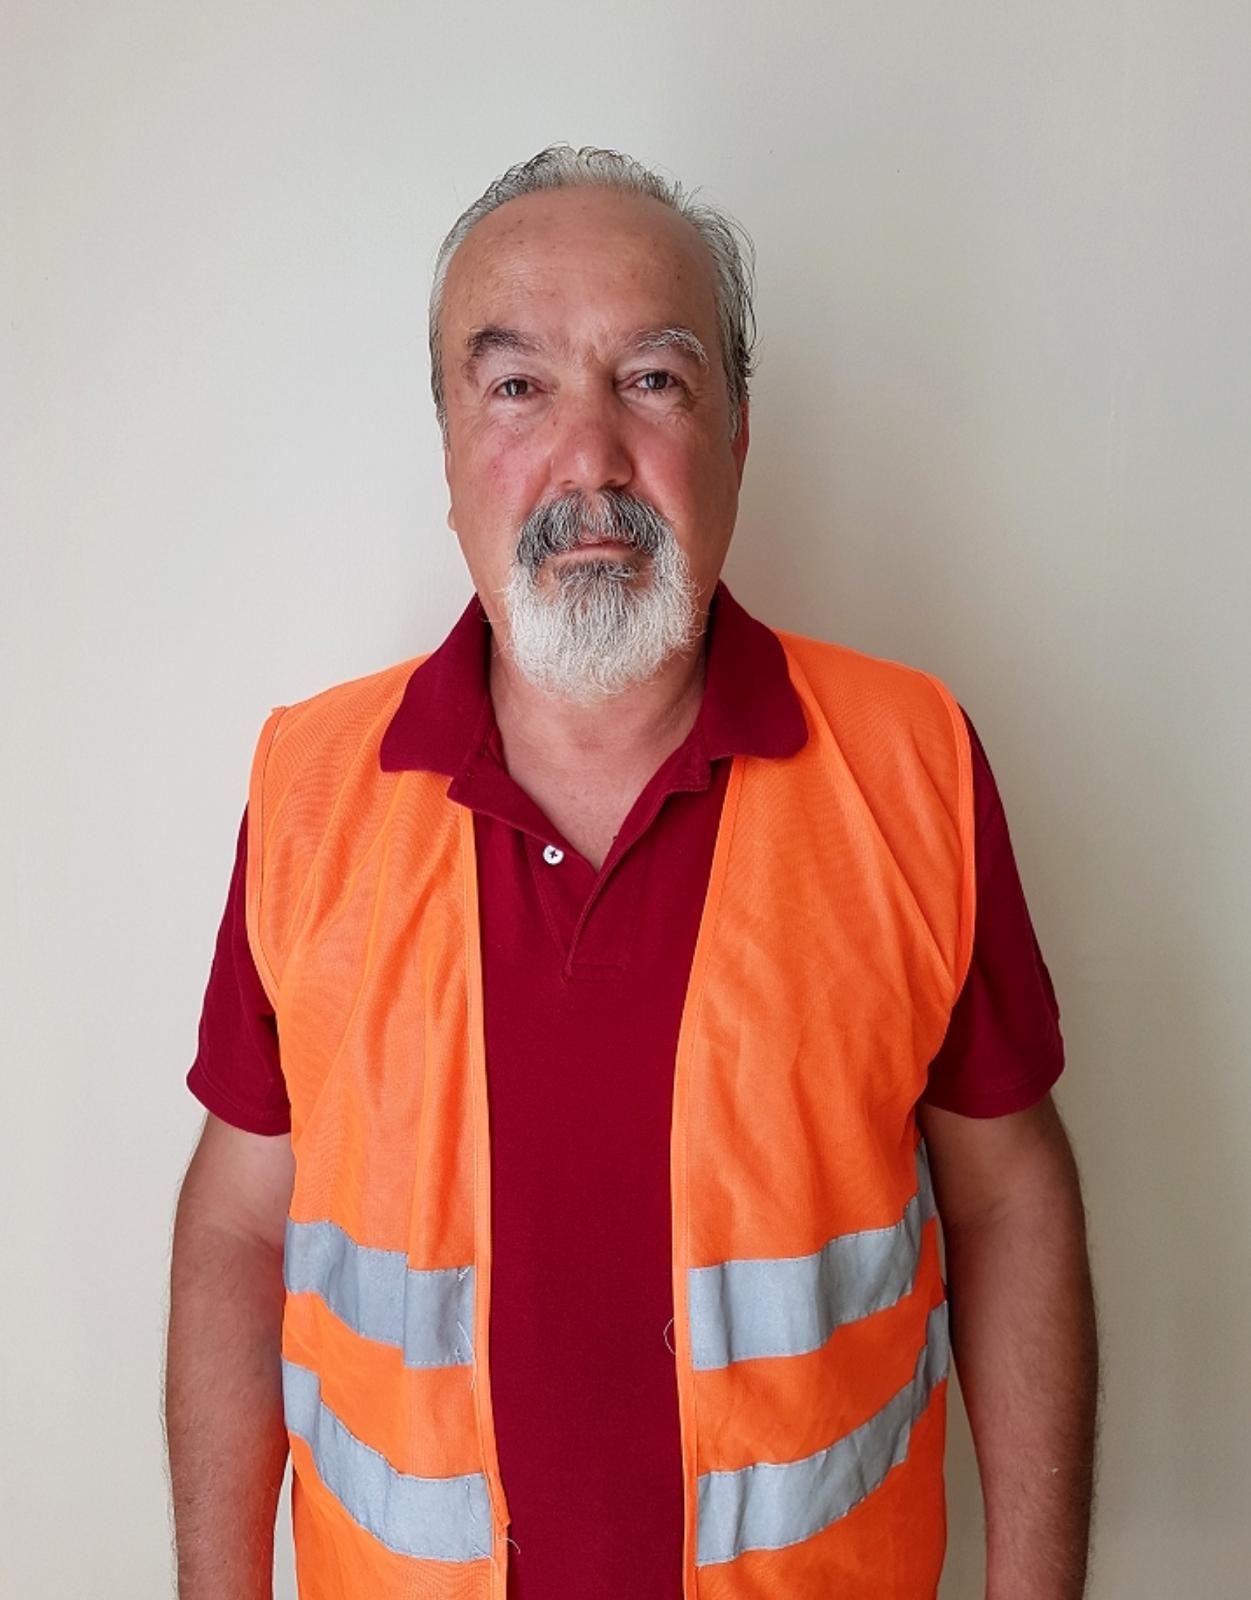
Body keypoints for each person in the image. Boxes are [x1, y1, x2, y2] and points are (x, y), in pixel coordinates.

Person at [165, 145, 1097, 1600]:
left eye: (653, 379)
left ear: (738, 435)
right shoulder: (309, 789)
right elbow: (237, 1222)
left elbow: (1008, 1199)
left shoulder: (911, 764)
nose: (590, 459)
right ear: (448, 447)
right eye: (517, 386)